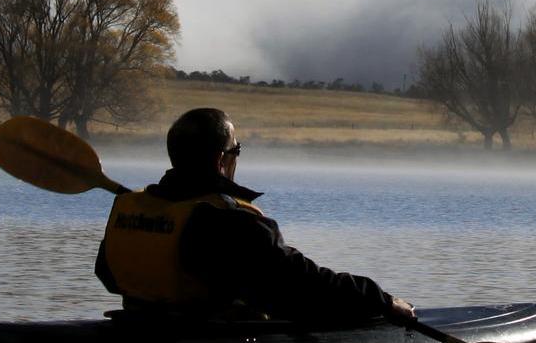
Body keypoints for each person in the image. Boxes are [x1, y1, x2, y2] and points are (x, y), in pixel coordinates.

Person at [95, 107, 415, 324]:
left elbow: (107, 274)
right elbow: (301, 285)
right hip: (207, 341)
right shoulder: (231, 219)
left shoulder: (129, 206)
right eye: (236, 151)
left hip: (136, 327)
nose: (236, 159)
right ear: (222, 159)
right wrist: (382, 302)